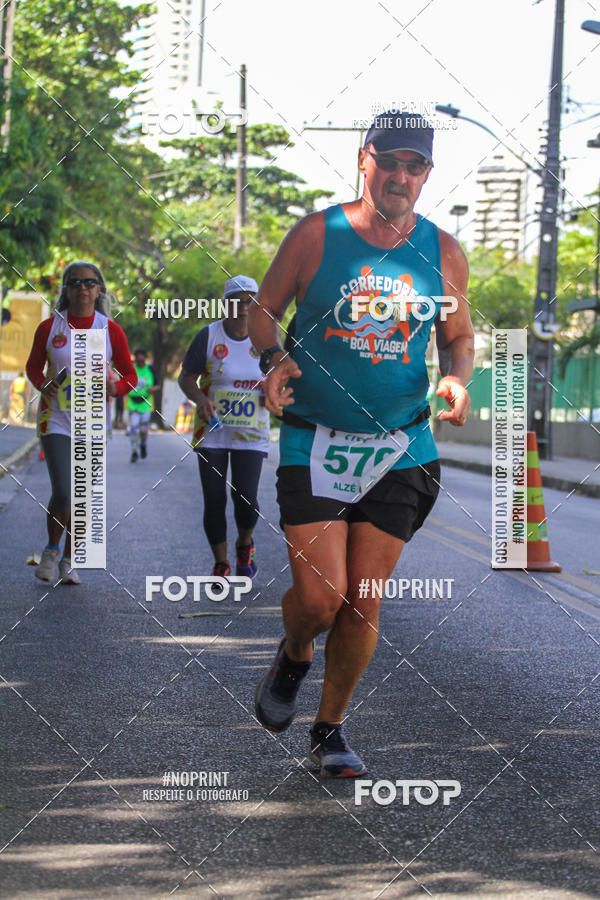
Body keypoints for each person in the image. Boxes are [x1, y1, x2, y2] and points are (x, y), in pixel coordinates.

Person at [250, 111, 474, 777]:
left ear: (427, 174)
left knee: (362, 599)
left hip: (400, 444)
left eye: (416, 165)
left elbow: (457, 336)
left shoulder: (442, 251)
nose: (403, 176)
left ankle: (330, 729)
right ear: (364, 159)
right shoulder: (319, 234)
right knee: (319, 601)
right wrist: (272, 357)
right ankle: (294, 651)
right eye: (392, 160)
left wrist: (458, 380)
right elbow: (264, 308)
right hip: (314, 438)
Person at [26, 261, 137, 585]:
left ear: (99, 289)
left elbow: (130, 375)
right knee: (63, 492)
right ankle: (50, 549)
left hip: (92, 424)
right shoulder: (50, 328)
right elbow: (33, 367)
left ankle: (68, 560)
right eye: (75, 282)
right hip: (56, 420)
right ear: (66, 289)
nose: (82, 288)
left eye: (89, 283)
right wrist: (41, 384)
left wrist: (115, 387)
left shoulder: (109, 330)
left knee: (83, 497)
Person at [178, 275, 269, 579]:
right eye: (237, 301)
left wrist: (273, 393)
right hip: (213, 431)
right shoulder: (209, 336)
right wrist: (200, 400)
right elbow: (186, 377)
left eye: (250, 302)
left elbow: (283, 376)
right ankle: (221, 562)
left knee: (245, 497)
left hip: (251, 433)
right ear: (225, 304)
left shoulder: (267, 338)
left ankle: (245, 544)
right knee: (215, 498)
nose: (244, 308)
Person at [127, 348, 158, 462]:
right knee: (134, 427)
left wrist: (152, 388)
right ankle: (134, 451)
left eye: (142, 361)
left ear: (145, 359)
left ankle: (143, 444)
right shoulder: (131, 368)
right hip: (133, 402)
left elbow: (157, 385)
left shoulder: (151, 369)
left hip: (146, 402)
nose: (140, 363)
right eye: (138, 361)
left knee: (144, 429)